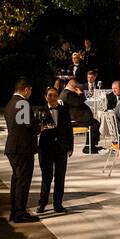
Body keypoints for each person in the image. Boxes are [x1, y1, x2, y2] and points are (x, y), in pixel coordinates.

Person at [4, 78, 42, 223]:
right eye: (30, 90)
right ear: (25, 89)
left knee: (16, 179)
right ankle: (20, 212)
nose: (31, 93)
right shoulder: (23, 103)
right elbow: (28, 125)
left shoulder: (10, 103)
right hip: (22, 148)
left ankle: (15, 211)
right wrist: (40, 127)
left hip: (13, 147)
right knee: (23, 181)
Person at [37, 86, 74, 214]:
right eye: (50, 95)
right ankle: (42, 203)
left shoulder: (64, 109)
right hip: (46, 148)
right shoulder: (40, 110)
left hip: (61, 148)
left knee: (60, 177)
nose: (52, 98)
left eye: (55, 95)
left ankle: (58, 204)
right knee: (46, 177)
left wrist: (70, 147)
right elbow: (35, 128)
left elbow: (69, 128)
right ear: (45, 97)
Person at [61, 78, 99, 153]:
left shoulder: (67, 93)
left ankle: (91, 146)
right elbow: (79, 103)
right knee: (95, 124)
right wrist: (80, 93)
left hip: (77, 118)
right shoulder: (67, 94)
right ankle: (88, 147)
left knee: (94, 123)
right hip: (75, 120)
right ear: (74, 87)